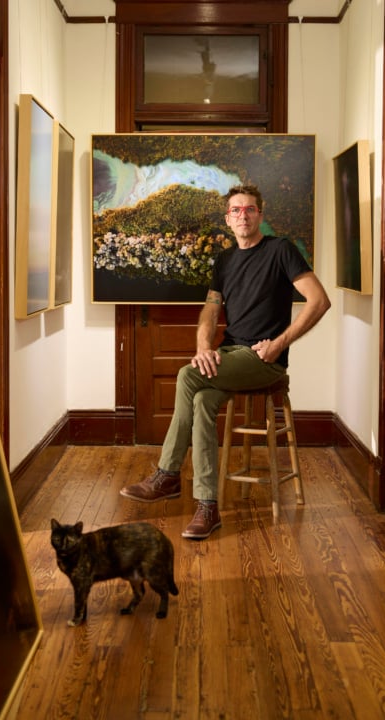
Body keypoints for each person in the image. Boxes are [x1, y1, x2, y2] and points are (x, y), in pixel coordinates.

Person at [120, 184, 331, 539]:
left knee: (188, 377)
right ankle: (208, 507)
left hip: (263, 359)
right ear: (227, 220)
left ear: (261, 216)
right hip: (230, 353)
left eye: (250, 209)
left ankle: (167, 474)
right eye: (236, 210)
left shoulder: (281, 251)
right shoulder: (225, 260)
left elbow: (319, 301)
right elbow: (211, 309)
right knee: (201, 398)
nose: (243, 215)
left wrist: (279, 344)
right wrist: (204, 346)